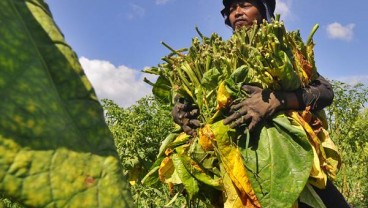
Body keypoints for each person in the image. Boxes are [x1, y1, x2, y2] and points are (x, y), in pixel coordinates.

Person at [172, 0, 351, 207]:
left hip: (286, 155)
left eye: (245, 5)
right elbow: (192, 97)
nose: (237, 12)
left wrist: (277, 100)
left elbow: (325, 92)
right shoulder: (217, 54)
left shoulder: (282, 47)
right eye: (232, 9)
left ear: (263, 10)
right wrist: (180, 110)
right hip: (236, 165)